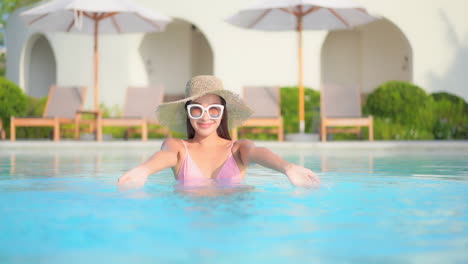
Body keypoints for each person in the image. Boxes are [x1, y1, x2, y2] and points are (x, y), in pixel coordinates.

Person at [117, 75, 320, 189]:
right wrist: (143, 170)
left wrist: (288, 167)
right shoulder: (177, 147)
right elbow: (164, 156)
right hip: (190, 224)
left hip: (230, 224)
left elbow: (259, 153)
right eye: (197, 109)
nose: (205, 117)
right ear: (188, 114)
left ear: (223, 114)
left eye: (214, 109)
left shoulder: (238, 148)